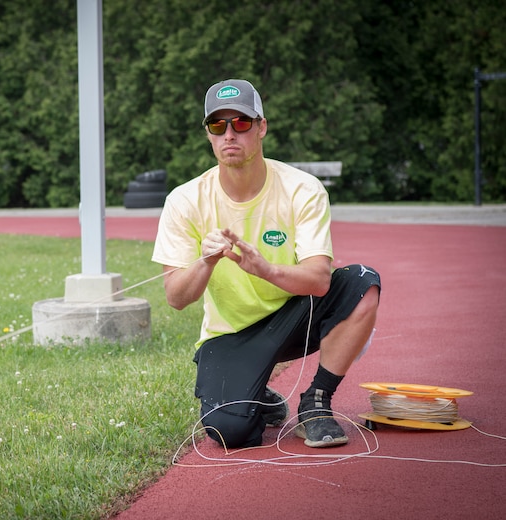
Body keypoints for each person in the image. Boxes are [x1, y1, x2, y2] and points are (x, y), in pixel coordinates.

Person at [152, 79, 381, 449]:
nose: (229, 134)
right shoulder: (184, 200)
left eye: (241, 123)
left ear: (261, 127)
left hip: (295, 316)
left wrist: (265, 268)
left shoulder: (301, 189)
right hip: (231, 335)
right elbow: (177, 298)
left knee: (362, 282)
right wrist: (205, 262)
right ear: (208, 135)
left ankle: (316, 402)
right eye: (218, 125)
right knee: (230, 432)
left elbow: (321, 280)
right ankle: (261, 397)